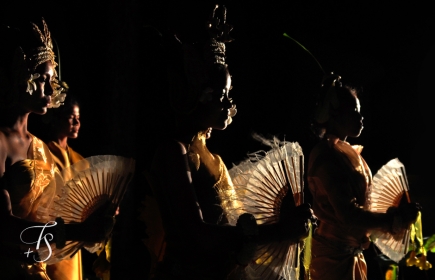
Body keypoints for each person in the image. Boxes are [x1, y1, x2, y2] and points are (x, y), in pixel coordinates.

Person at [146, 5, 314, 279]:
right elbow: (196, 232)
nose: (228, 103)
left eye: (228, 93)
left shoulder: (212, 157)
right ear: (196, 93)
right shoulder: (173, 151)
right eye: (220, 94)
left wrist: (284, 220)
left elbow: (232, 225)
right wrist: (279, 231)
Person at [0, 19, 112, 280]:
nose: (51, 88)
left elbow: (56, 212)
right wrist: (73, 232)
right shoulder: (1, 142)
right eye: (41, 79)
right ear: (20, 75)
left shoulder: (40, 147)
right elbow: (3, 227)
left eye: (53, 80)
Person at [307, 74, 420, 280]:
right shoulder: (327, 156)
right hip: (332, 259)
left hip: (349, 254)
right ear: (333, 114)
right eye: (353, 111)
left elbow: (361, 209)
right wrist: (394, 220)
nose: (360, 117)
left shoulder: (346, 153)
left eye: (360, 111)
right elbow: (348, 214)